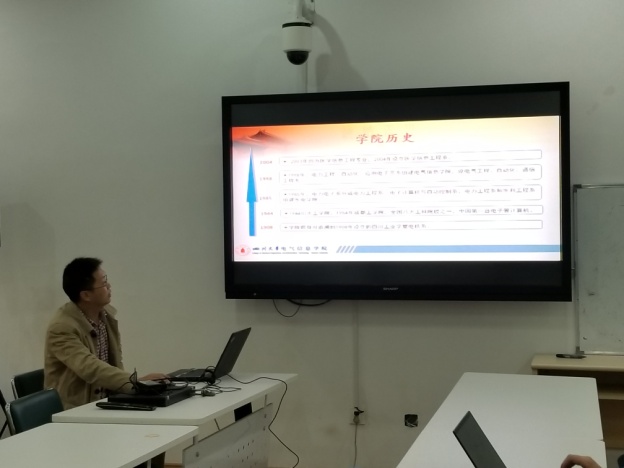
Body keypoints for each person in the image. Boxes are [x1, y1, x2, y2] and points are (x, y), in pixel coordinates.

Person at [44, 257, 169, 468]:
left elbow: (113, 363)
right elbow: (90, 367)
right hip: (75, 412)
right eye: (103, 283)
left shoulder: (105, 316)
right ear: (86, 295)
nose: (109, 286)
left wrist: (136, 391)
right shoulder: (62, 327)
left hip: (106, 406)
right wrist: (136, 383)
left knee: (156, 433)